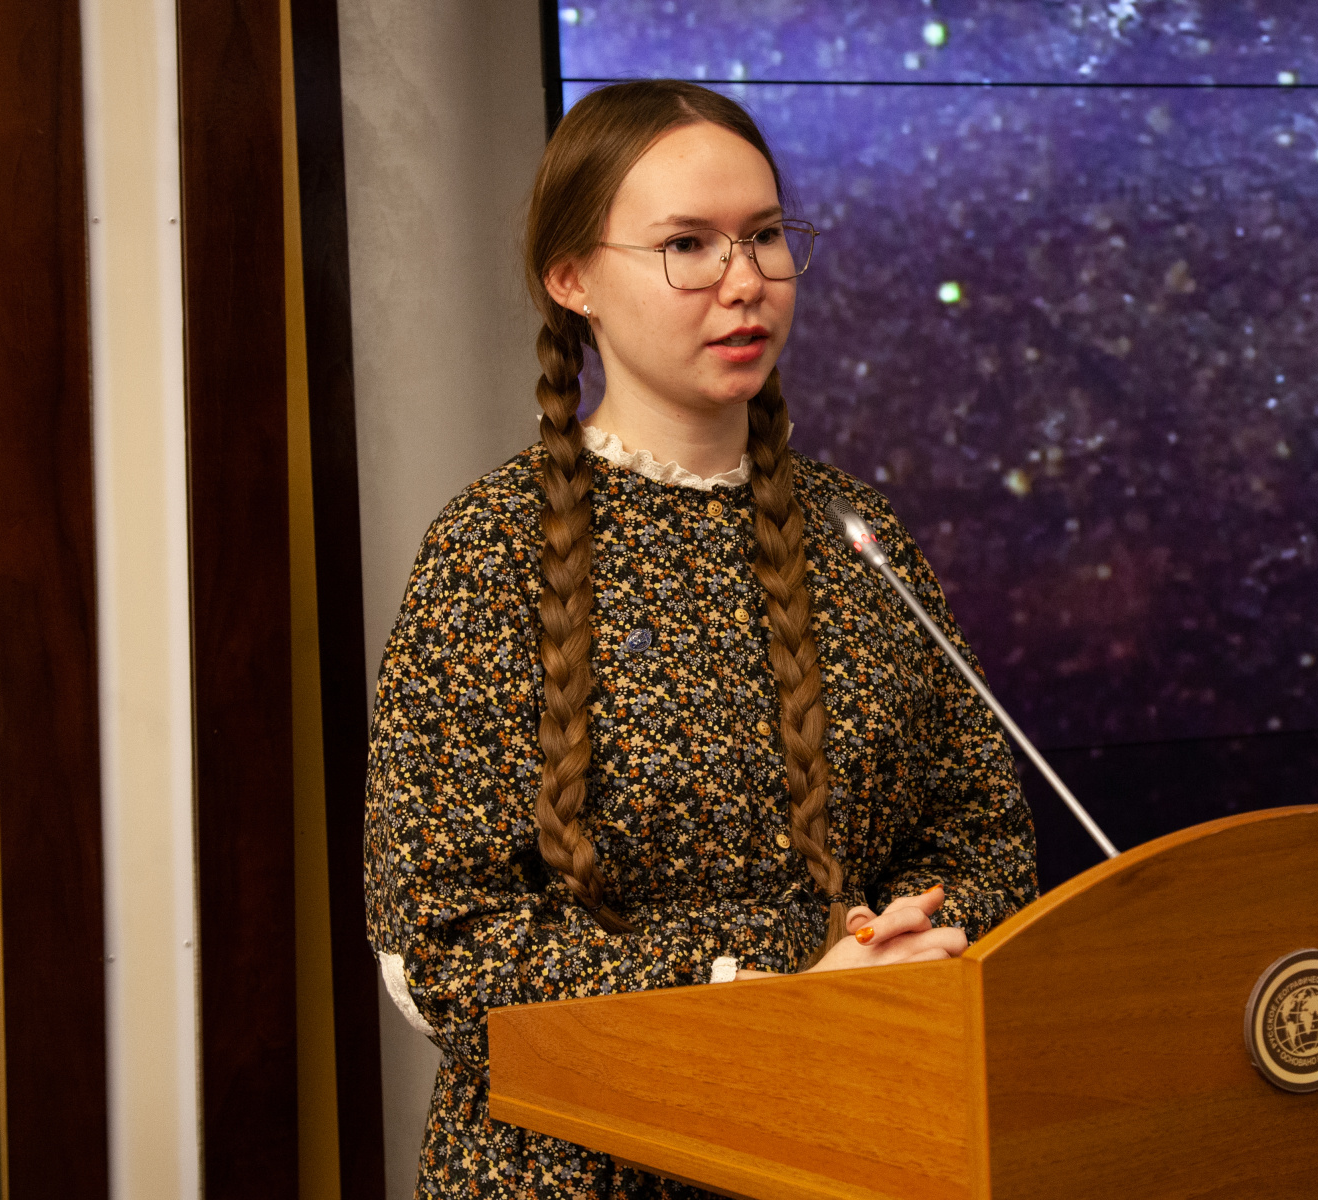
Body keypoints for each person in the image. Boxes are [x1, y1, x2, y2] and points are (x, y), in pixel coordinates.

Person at [364, 79, 1038, 1200]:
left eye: (765, 236)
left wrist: (903, 945)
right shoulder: (489, 552)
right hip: (586, 1166)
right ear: (572, 279)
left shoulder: (857, 533)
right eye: (687, 245)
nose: (745, 282)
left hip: (856, 1140)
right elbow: (438, 944)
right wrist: (772, 995)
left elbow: (982, 833)